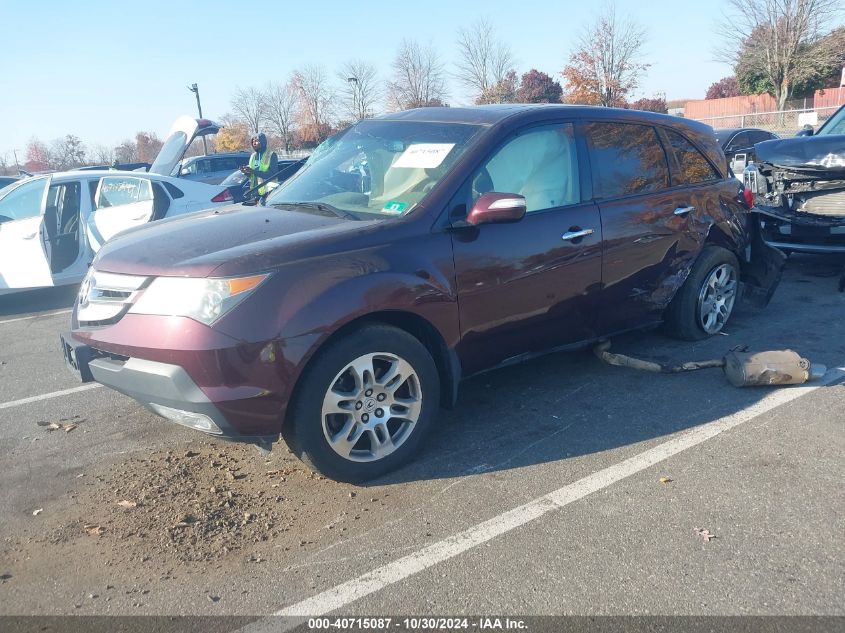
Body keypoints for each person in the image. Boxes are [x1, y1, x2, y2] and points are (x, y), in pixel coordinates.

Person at [240, 133, 278, 199]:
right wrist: (245, 172)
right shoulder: (253, 156)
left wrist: (254, 171)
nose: (254, 143)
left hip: (268, 193)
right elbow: (251, 175)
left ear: (262, 142)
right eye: (253, 141)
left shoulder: (271, 155)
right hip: (254, 192)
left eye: (256, 141)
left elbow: (273, 174)